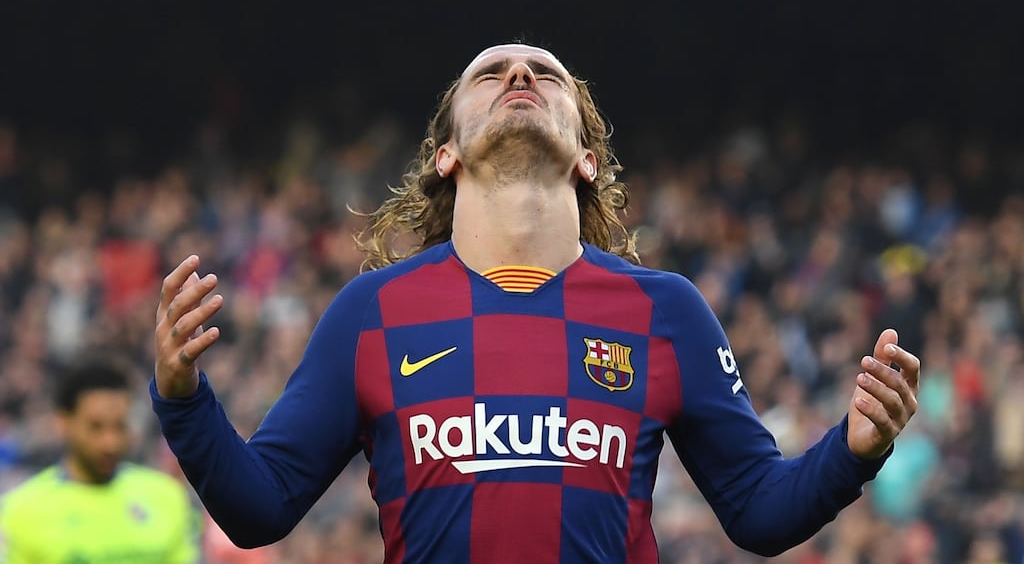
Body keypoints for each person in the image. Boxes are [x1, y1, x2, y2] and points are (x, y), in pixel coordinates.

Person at [151, 43, 921, 562]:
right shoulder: (371, 314)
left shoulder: (667, 311)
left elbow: (758, 510)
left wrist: (856, 448)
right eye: (491, 75)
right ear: (446, 153)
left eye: (544, 75)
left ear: (587, 157)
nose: (520, 76)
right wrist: (183, 397)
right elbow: (259, 509)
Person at [0, 360, 200, 563]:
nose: (110, 443)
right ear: (63, 423)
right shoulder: (21, 511)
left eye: (119, 426)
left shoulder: (167, 497)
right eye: (96, 427)